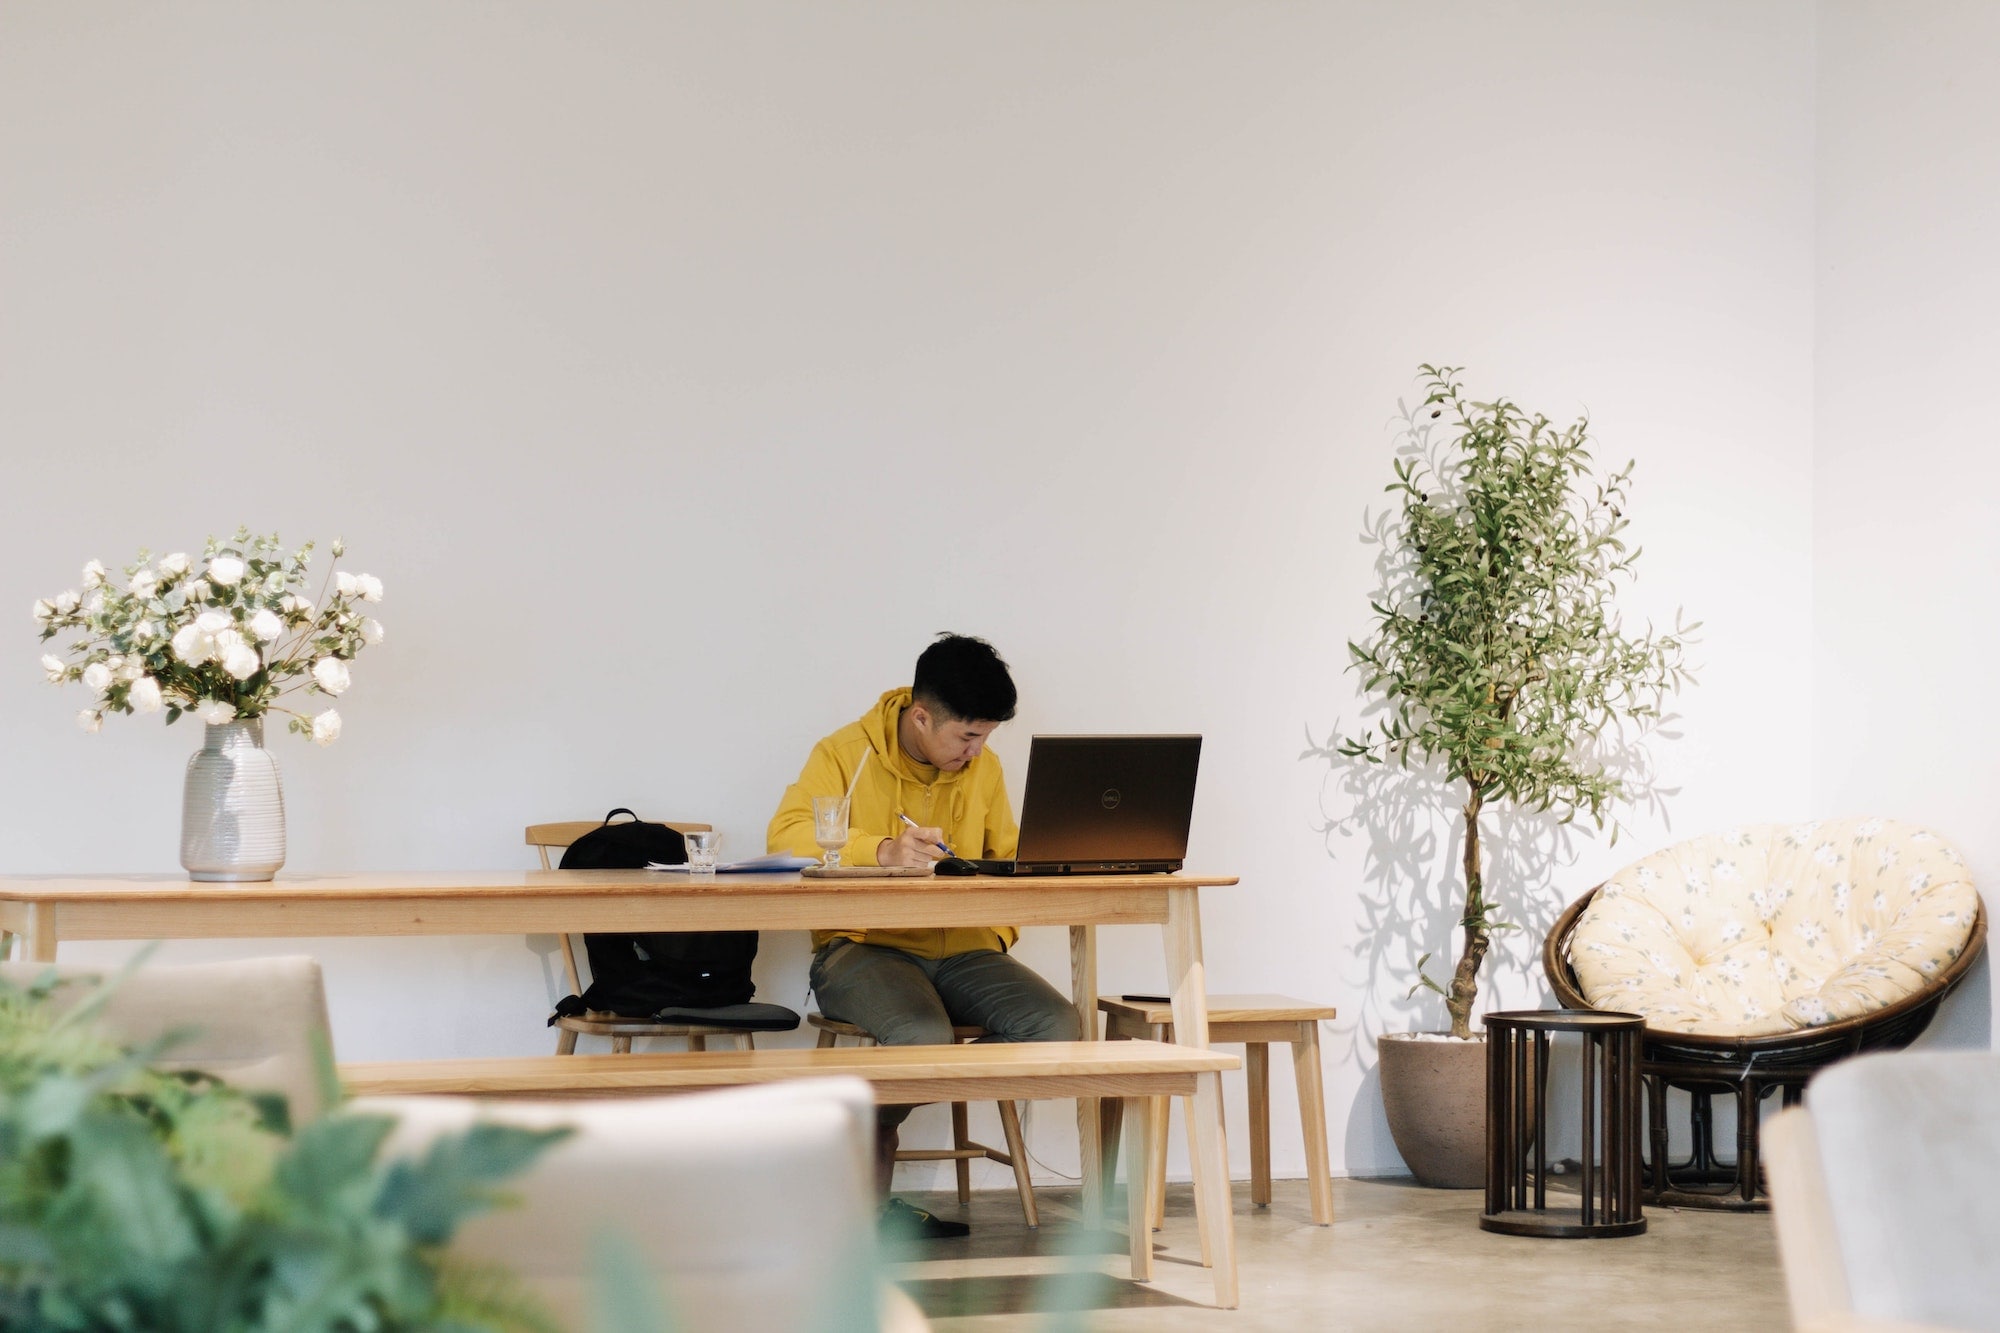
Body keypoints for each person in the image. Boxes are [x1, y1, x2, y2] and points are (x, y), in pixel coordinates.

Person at [767, 633, 1082, 1240]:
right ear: (921, 716)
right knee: (918, 1034)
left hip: (965, 949)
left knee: (1057, 1026)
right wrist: (880, 850)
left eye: (985, 737)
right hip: (861, 949)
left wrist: (1002, 924)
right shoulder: (843, 753)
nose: (976, 751)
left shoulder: (983, 768)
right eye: (966, 737)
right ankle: (856, 1187)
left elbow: (1008, 856)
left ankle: (902, 1096)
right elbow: (785, 837)